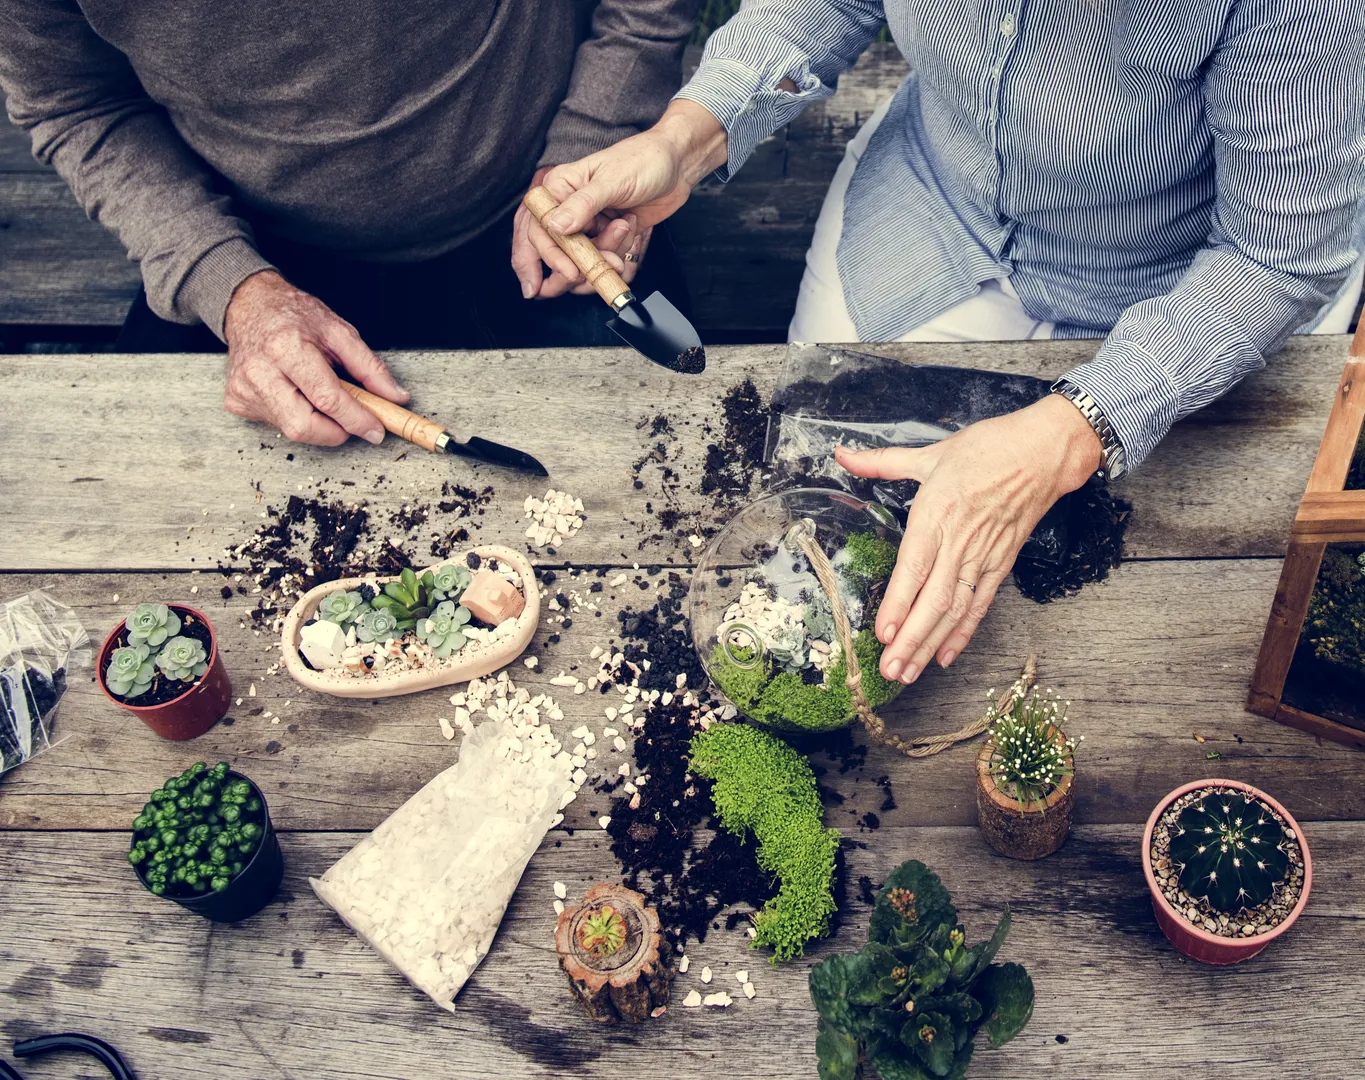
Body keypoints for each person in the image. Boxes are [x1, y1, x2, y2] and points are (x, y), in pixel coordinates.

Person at [518, 0, 1365, 686]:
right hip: (925, 218)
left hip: (1178, 281)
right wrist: (686, 140)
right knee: (821, 504)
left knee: (1109, 612)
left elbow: (1277, 254)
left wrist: (1074, 429)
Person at [0, 0, 698, 446]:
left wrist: (591, 137)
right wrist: (225, 282)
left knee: (669, 446)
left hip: (544, 205)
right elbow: (72, 101)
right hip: (251, 251)